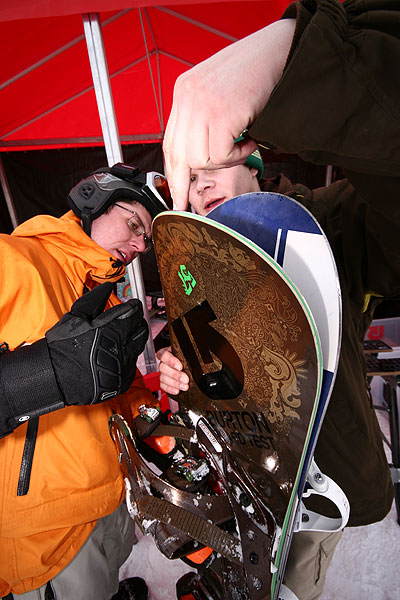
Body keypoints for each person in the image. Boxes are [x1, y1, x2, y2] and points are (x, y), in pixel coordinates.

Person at [160, 57, 400, 597]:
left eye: (210, 166)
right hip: (244, 481)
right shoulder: (202, 264)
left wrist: (296, 87)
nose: (200, 186)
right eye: (188, 180)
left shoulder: (324, 223)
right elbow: (203, 356)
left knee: (289, 588)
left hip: (320, 482)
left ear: (254, 162)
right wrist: (179, 369)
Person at [0, 163, 170, 600]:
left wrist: (158, 417)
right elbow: (67, 372)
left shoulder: (105, 300)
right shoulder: (13, 260)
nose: (140, 245)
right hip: (45, 534)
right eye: (135, 225)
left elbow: (120, 393)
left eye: (147, 239)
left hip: (107, 501)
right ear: (95, 202)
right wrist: (47, 374)